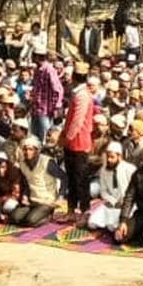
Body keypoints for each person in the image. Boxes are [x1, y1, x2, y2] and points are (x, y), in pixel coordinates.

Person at [56, 72, 94, 226]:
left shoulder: (82, 96)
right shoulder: (78, 93)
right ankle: (71, 211)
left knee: (81, 179)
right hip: (72, 142)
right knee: (71, 178)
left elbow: (77, 122)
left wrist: (66, 138)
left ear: (74, 77)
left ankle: (84, 211)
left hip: (79, 142)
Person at [87, 142, 137, 231]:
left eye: (112, 157)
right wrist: (113, 201)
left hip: (127, 205)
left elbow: (136, 190)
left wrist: (124, 202)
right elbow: (103, 191)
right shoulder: (104, 169)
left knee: (112, 227)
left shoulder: (130, 169)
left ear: (120, 157)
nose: (109, 160)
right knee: (92, 223)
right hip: (111, 204)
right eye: (108, 157)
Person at [17, 137, 67, 224]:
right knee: (15, 218)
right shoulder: (22, 163)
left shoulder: (47, 163)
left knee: (30, 221)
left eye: (30, 149)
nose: (27, 152)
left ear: (36, 151)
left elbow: (64, 177)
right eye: (25, 149)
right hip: (32, 201)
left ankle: (48, 216)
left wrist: (61, 196)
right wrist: (25, 195)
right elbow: (27, 182)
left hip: (47, 202)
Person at [30, 50, 64, 142]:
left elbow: (58, 89)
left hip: (45, 110)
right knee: (34, 136)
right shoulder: (37, 70)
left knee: (45, 135)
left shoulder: (49, 70)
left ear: (37, 57)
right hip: (35, 108)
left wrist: (57, 106)